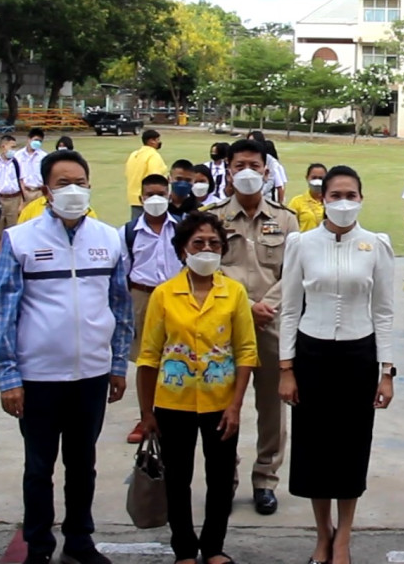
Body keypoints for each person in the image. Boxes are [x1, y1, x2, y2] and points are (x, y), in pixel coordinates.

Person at [0, 150, 132, 564]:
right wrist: (9, 377)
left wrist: (117, 364)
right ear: (47, 190)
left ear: (90, 186)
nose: (73, 191)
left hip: (92, 374)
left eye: (80, 183)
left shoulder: (109, 238)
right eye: (63, 183)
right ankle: (38, 544)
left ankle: (79, 540)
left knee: (82, 463)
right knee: (39, 467)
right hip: (39, 376)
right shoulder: (20, 239)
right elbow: (3, 312)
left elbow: (120, 306)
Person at [279, 166, 395, 564]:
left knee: (351, 447)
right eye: (335, 195)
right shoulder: (302, 243)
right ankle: (322, 533)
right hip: (311, 355)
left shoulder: (376, 245)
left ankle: (343, 536)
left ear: (361, 198)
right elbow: (290, 309)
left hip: (358, 356)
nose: (343, 203)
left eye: (351, 195)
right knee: (314, 448)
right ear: (322, 198)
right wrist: (286, 368)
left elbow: (384, 311)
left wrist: (386, 372)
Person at [136, 210, 258, 564]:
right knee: (178, 478)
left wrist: (235, 405)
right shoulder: (164, 295)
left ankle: (214, 546)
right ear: (182, 250)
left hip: (221, 403)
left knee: (220, 478)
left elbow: (246, 351)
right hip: (173, 404)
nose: (207, 249)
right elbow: (149, 356)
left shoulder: (233, 293)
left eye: (214, 243)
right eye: (198, 243)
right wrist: (146, 412)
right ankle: (185, 549)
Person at [205, 139, 299, 515]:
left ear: (266, 170)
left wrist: (265, 307)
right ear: (228, 171)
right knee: (221, 405)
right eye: (239, 165)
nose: (247, 172)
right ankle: (224, 477)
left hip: (271, 325)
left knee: (272, 409)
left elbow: (294, 272)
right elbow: (206, 269)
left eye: (254, 165)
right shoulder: (212, 218)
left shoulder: (286, 219)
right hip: (224, 327)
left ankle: (265, 480)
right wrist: (245, 306)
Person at [121, 173, 185, 444]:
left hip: (176, 296)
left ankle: (175, 413)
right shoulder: (128, 232)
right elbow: (123, 272)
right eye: (150, 195)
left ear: (169, 196)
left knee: (178, 354)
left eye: (161, 194)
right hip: (142, 295)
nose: (156, 199)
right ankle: (146, 415)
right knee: (146, 360)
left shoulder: (182, 228)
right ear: (141, 198)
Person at [126, 130, 168, 219]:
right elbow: (155, 177)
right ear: (151, 141)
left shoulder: (134, 155)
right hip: (149, 199)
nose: (159, 142)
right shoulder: (153, 155)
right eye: (157, 140)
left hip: (134, 198)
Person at [0, 135, 25, 241]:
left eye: (15, 147)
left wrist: (22, 202)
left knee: (14, 231)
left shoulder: (17, 163)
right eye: (12, 147)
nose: (13, 150)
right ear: (3, 146)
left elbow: (21, 182)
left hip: (14, 200)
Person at [287, 164, 328, 232]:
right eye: (314, 178)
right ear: (307, 178)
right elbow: (289, 226)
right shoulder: (297, 201)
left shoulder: (331, 201)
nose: (317, 181)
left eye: (321, 178)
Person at [14, 128, 47, 202]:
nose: (37, 143)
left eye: (40, 141)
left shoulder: (44, 156)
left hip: (39, 192)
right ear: (29, 139)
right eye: (36, 140)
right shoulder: (18, 156)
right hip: (24, 191)